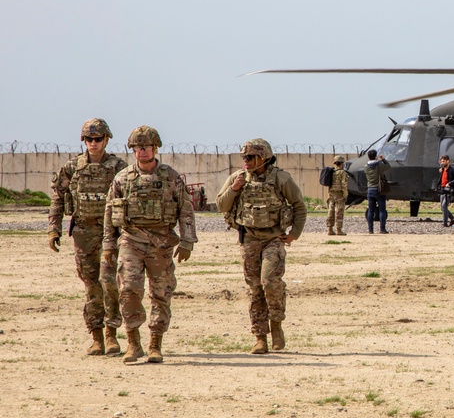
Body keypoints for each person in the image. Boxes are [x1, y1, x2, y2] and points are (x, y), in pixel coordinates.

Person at [103, 126, 197, 364]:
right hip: (131, 241)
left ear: (155, 148)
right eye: (137, 147)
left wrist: (187, 241)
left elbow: (186, 209)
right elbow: (109, 211)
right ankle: (133, 344)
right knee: (128, 290)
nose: (141, 151)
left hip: (161, 243)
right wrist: (108, 245)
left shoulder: (170, 176)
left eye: (146, 147)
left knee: (161, 294)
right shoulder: (122, 178)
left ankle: (155, 344)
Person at [216, 139, 307, 355]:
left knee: (270, 281)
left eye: (250, 157)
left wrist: (294, 234)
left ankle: (276, 326)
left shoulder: (281, 178)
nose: (245, 161)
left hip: (274, 239)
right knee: (254, 288)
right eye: (244, 157)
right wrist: (234, 189)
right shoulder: (237, 178)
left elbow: (299, 205)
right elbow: (221, 205)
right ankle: (260, 337)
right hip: (248, 239)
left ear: (263, 158)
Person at [48, 118, 129, 356]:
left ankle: (112, 335)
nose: (93, 144)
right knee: (92, 286)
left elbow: (129, 200)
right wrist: (54, 228)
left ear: (106, 139)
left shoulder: (118, 167)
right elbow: (58, 199)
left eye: (97, 139)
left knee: (110, 283)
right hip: (83, 231)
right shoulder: (72, 168)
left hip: (110, 232)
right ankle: (96, 336)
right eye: (89, 139)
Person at [363, 149, 390, 234]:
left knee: (371, 210)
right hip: (379, 189)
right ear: (375, 156)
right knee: (382, 210)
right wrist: (382, 159)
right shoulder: (379, 165)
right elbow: (388, 166)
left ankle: (370, 230)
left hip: (370, 189)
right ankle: (382, 229)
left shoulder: (365, 167)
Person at [436, 154, 454, 228]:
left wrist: (450, 183)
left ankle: (445, 222)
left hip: (449, 191)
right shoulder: (443, 170)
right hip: (443, 190)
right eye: (441, 161)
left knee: (444, 206)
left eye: (443, 161)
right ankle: (453, 220)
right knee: (442, 207)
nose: (442, 163)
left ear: (448, 161)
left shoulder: (453, 170)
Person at [325, 155, 348, 236]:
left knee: (330, 211)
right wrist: (345, 194)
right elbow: (344, 184)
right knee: (339, 211)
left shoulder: (331, 172)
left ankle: (330, 229)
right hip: (339, 194)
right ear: (342, 163)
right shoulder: (342, 172)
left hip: (331, 193)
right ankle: (339, 229)